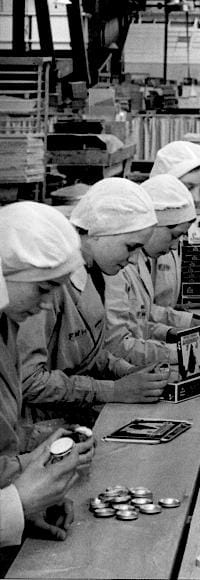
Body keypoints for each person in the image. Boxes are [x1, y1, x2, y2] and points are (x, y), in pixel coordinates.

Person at [18, 178, 170, 425]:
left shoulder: (91, 274)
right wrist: (114, 390)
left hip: (65, 417)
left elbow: (86, 352)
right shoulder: (49, 283)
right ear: (99, 232)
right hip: (32, 428)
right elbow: (29, 381)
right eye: (130, 247)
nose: (133, 260)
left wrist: (125, 371)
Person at [0, 203, 94, 547]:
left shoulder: (6, 323)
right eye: (43, 288)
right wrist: (18, 502)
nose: (48, 303)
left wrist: (33, 495)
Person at [104, 174, 200, 367]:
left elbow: (139, 322)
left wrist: (180, 330)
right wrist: (189, 352)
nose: (175, 246)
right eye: (174, 236)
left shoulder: (140, 260)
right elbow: (117, 344)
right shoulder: (117, 268)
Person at [149, 141, 200, 309]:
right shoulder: (144, 236)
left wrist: (178, 311)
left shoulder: (175, 227)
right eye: (188, 187)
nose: (196, 198)